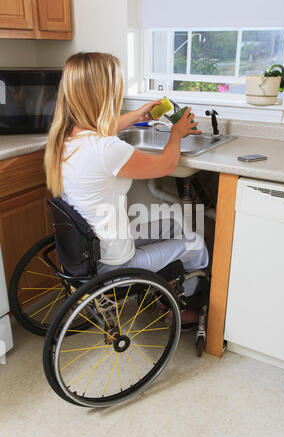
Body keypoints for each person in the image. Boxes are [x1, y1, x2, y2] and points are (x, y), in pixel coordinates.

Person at [45, 52, 209, 323]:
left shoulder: (65, 136)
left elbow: (101, 133)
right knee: (196, 243)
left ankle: (166, 291)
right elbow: (167, 165)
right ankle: (181, 309)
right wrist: (177, 133)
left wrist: (136, 116)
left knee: (171, 226)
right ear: (105, 94)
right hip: (116, 264)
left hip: (91, 250)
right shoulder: (106, 149)